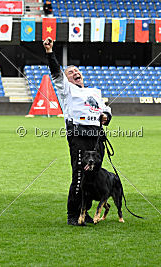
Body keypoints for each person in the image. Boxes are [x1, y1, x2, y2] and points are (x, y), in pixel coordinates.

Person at [43, 37, 112, 226]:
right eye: (70, 72)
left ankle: (85, 212)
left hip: (97, 139)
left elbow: (106, 108)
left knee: (93, 177)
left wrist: (106, 115)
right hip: (79, 136)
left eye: (77, 70)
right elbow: (56, 73)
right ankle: (73, 215)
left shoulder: (94, 92)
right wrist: (50, 52)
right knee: (80, 176)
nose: (75, 72)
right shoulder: (66, 90)